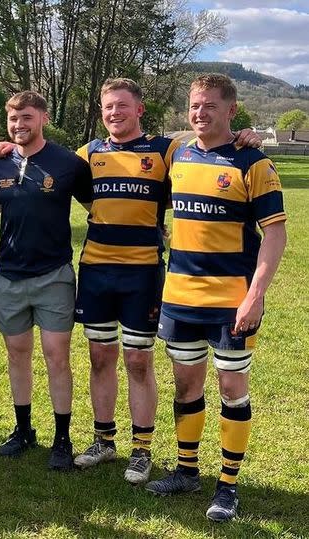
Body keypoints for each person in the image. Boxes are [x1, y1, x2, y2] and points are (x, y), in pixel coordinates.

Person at [72, 78, 263, 484]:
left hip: (144, 272)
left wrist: (248, 134)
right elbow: (45, 162)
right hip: (95, 270)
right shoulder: (88, 153)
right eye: (108, 106)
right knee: (99, 356)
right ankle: (104, 439)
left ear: (139, 109)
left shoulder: (168, 150)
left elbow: (209, 143)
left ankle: (141, 449)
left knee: (138, 359)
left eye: (122, 105)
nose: (114, 113)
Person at [145, 74, 286, 523]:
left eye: (210, 105)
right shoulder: (178, 154)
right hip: (180, 295)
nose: (200, 112)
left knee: (231, 387)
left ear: (231, 109)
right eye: (194, 105)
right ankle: (186, 471)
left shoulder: (254, 163)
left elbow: (276, 234)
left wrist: (254, 295)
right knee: (186, 384)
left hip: (231, 299)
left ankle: (228, 484)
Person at [0, 91, 92, 470]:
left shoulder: (68, 163)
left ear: (42, 117)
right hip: (8, 276)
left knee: (57, 356)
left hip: (54, 275)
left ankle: (62, 439)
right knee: (17, 355)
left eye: (26, 117)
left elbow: (98, 206)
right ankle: (23, 429)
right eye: (13, 119)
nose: (19, 125)